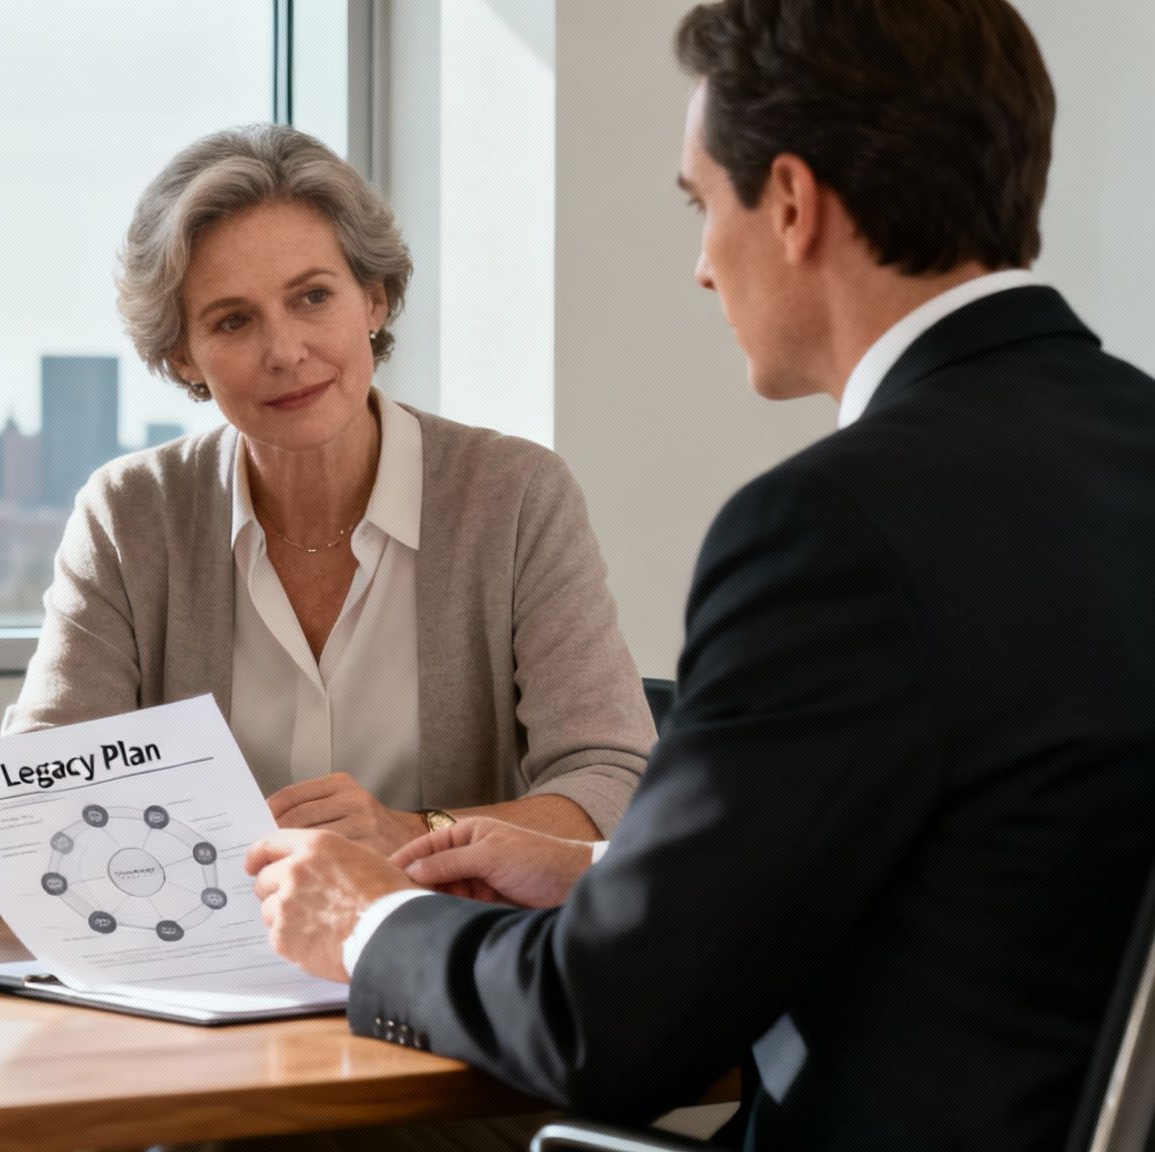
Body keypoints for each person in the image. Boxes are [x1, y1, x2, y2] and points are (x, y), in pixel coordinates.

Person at [248, 0, 1155, 1146]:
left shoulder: (829, 529)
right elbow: (994, 861)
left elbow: (608, 1029)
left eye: (699, 204)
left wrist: (368, 922)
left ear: (787, 202)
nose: (698, 268)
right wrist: (608, 874)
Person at [6, 125, 654, 855]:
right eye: (234, 320)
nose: (285, 351)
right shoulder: (130, 514)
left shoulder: (514, 495)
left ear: (373, 300)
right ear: (184, 356)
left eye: (313, 296)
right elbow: (34, 802)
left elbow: (617, 785)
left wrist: (410, 835)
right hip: (206, 958)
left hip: (445, 946)